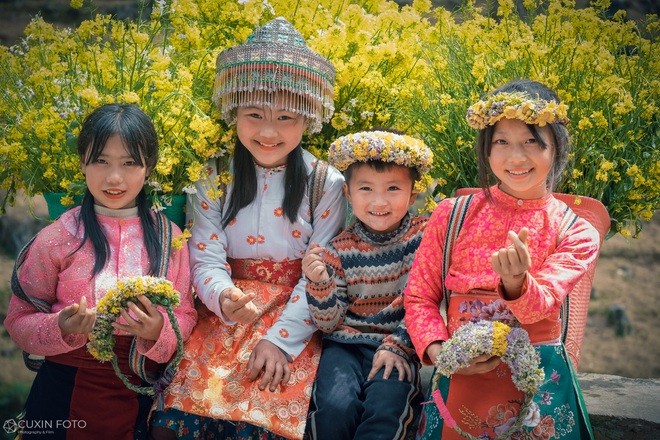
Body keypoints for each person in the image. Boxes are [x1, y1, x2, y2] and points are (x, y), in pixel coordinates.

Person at [150, 17, 346, 440]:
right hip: (224, 307)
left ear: (309, 118)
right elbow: (204, 255)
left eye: (286, 117)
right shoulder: (213, 173)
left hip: (295, 314)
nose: (269, 131)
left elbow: (322, 270)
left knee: (265, 414)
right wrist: (223, 296)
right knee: (179, 419)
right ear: (234, 112)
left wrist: (281, 341)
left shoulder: (326, 183)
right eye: (254, 114)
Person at [404, 79, 601, 440]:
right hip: (460, 375)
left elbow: (541, 304)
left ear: (556, 146)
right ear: (486, 149)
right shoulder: (452, 215)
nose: (516, 157)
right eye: (502, 142)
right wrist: (441, 351)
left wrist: (516, 284)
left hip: (538, 389)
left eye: (531, 141)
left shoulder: (576, 231)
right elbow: (419, 297)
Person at [4, 103, 198, 440]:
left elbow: (185, 315)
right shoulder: (58, 237)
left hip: (140, 395)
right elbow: (18, 320)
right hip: (62, 395)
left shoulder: (171, 240)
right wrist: (61, 326)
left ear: (148, 168)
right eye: (101, 161)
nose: (114, 177)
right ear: (82, 163)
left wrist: (156, 330)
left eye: (129, 163)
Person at [302, 130, 433, 439]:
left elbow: (425, 302)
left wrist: (398, 347)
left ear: (412, 194)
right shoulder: (339, 248)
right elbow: (328, 323)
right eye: (366, 188)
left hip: (399, 344)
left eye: (393, 189)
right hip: (344, 346)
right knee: (335, 407)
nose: (379, 201)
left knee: (386, 408)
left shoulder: (424, 238)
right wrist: (320, 283)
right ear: (348, 193)